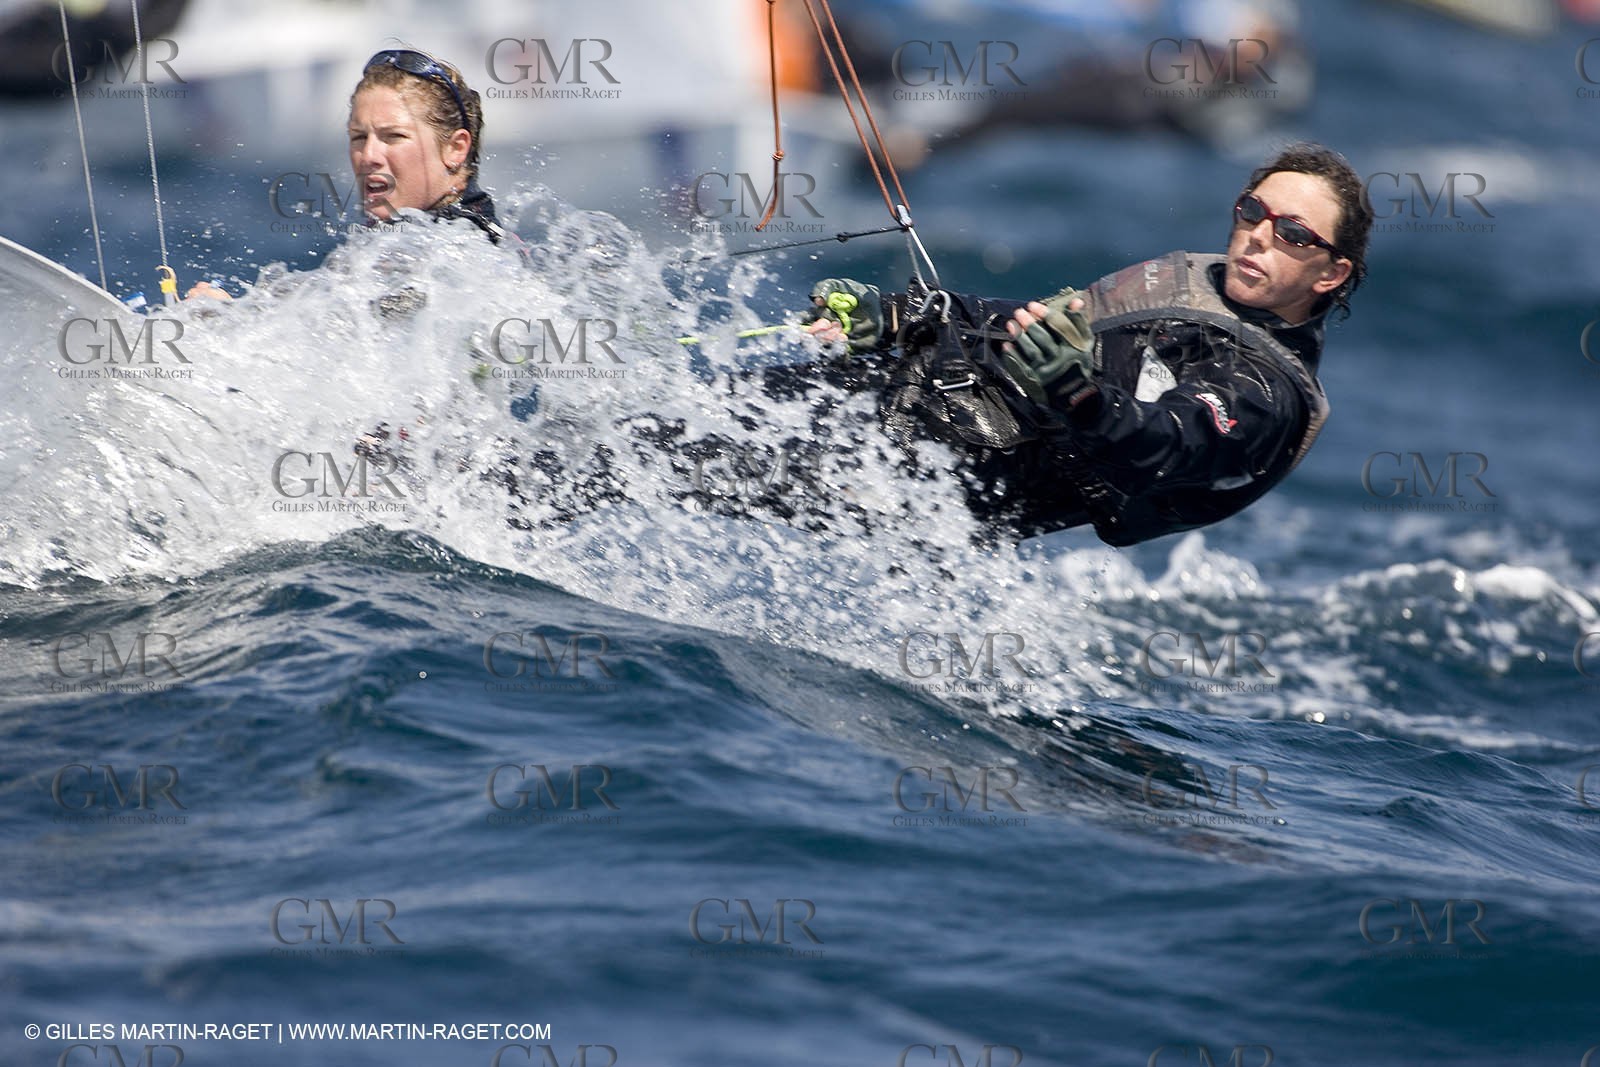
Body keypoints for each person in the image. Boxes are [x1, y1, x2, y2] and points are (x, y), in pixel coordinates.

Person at [795, 141, 1372, 547]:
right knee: (710, 411)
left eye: (1294, 233)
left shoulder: (1265, 395)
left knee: (707, 464)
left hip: (924, 485)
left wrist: (1075, 392)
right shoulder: (1189, 287)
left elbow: (1160, 445)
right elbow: (1028, 325)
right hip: (888, 398)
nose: (1261, 236)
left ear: (1330, 274)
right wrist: (901, 313)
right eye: (1253, 212)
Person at [187, 46, 508, 301]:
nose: (368, 156)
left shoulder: (461, 249)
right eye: (358, 137)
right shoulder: (403, 239)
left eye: (393, 137)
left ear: (455, 149)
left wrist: (236, 322)